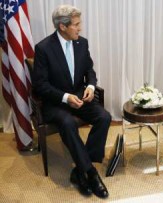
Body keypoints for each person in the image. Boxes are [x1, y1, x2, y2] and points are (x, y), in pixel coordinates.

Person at [32, 5, 111, 198]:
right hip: (55, 102)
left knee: (104, 117)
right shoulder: (43, 49)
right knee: (67, 123)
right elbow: (40, 85)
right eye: (76, 24)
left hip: (80, 96)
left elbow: (89, 71)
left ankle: (79, 171)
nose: (80, 28)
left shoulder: (81, 43)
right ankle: (91, 173)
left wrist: (91, 87)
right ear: (62, 27)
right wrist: (66, 97)